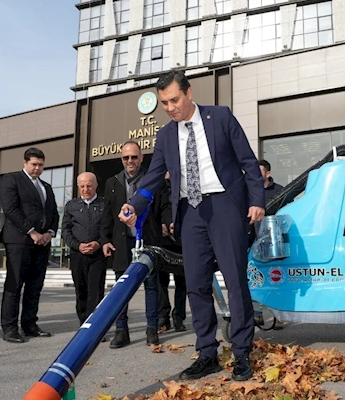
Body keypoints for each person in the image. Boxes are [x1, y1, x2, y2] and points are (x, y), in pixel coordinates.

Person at [119, 70, 265, 382]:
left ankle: (241, 353)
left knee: (235, 280)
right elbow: (152, 179)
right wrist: (135, 205)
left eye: (174, 99)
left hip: (224, 204)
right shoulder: (166, 136)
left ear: (189, 93)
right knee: (197, 284)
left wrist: (257, 200)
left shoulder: (221, 117)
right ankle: (207, 353)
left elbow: (248, 162)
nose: (169, 107)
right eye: (164, 103)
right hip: (191, 212)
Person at [101, 141, 171, 348]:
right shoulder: (112, 183)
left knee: (152, 287)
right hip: (122, 244)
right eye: (126, 158)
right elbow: (107, 215)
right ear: (121, 159)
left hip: (148, 241)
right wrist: (104, 240)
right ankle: (121, 332)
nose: (130, 161)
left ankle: (152, 330)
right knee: (121, 290)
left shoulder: (154, 180)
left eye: (134, 157)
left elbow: (165, 206)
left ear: (141, 158)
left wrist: (169, 222)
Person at [0, 148, 59, 343]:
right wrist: (32, 231)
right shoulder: (11, 180)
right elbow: (10, 209)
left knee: (35, 286)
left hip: (42, 243)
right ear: (24, 162)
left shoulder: (46, 187)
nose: (37, 168)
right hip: (19, 241)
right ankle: (9, 328)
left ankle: (30, 324)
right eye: (34, 164)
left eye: (41, 165)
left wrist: (49, 233)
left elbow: (54, 213)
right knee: (15, 285)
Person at [62, 172, 108, 326]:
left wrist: (99, 243)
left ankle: (95, 325)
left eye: (89, 185)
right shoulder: (71, 206)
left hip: (98, 256)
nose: (85, 189)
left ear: (96, 185)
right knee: (81, 291)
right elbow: (65, 231)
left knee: (96, 293)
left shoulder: (105, 205)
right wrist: (77, 245)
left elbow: (109, 229)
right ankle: (84, 324)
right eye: (82, 186)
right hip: (77, 256)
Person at [158, 171, 187, 333]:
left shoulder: (183, 184)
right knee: (161, 282)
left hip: (181, 241)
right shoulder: (157, 186)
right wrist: (160, 225)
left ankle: (179, 317)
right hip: (162, 241)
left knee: (181, 283)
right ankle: (164, 317)